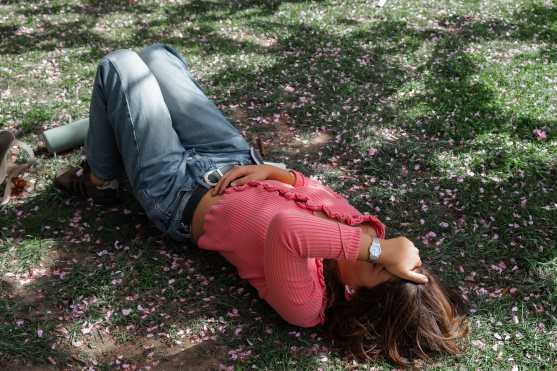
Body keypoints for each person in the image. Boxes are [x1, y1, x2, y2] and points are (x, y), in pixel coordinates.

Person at [55, 44, 468, 366]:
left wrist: (375, 248)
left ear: (356, 295)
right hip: (233, 160)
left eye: (380, 264)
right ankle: (110, 141)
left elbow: (288, 231)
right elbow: (318, 193)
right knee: (158, 57)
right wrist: (279, 175)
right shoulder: (363, 240)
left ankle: (99, 180)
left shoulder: (307, 306)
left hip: (178, 192)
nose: (381, 244)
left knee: (121, 66)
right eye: (397, 258)